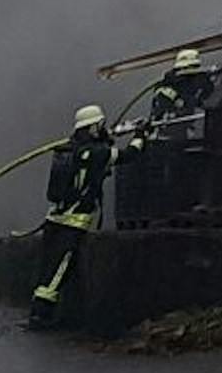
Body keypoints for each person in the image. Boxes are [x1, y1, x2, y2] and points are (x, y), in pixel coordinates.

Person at [27, 105, 147, 331]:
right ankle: (41, 316)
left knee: (48, 268)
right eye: (99, 125)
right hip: (74, 220)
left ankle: (39, 311)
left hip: (55, 217)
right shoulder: (97, 153)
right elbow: (129, 155)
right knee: (60, 269)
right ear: (92, 127)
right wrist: (141, 134)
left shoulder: (67, 149)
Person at [147, 48, 218, 138]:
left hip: (184, 129)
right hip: (167, 132)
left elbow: (205, 99)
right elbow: (185, 103)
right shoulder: (167, 88)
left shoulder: (194, 83)